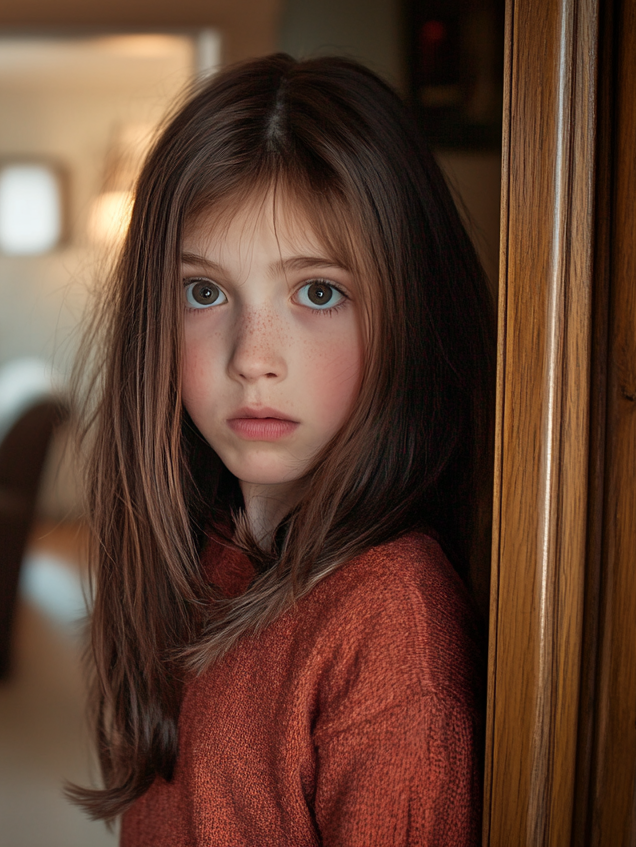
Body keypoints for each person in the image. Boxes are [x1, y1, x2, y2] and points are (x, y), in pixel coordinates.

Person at [68, 54, 493, 844]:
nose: (250, 357)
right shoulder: (208, 554)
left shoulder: (390, 624)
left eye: (318, 292)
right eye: (205, 292)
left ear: (407, 311)